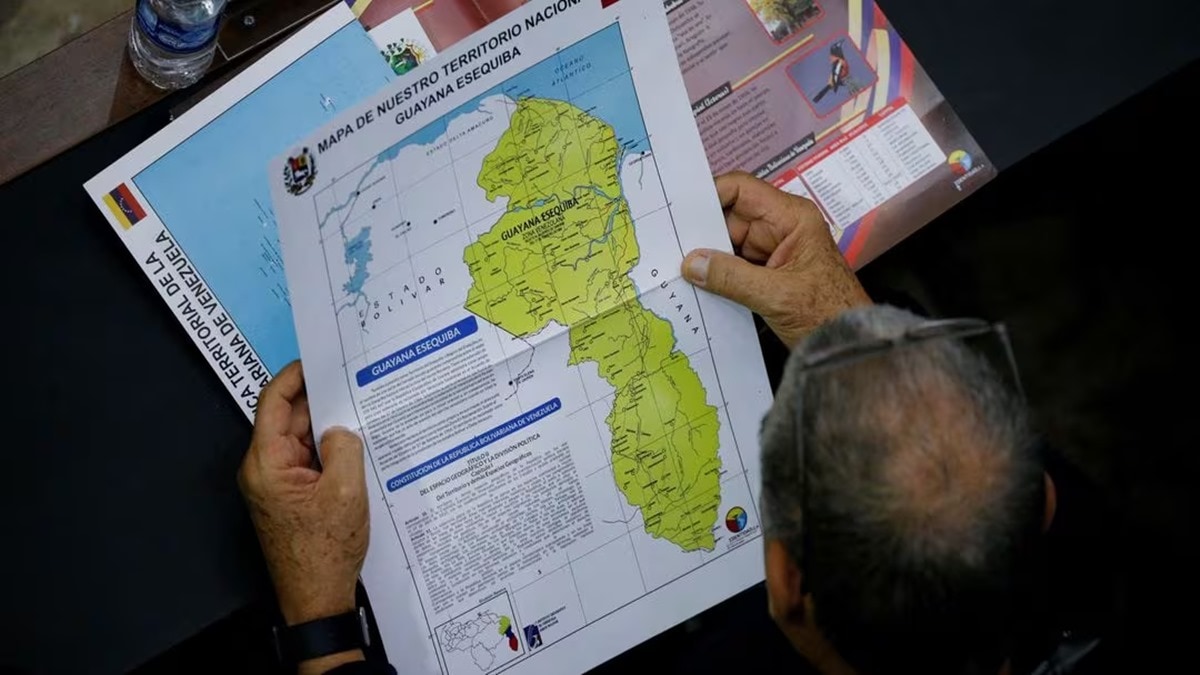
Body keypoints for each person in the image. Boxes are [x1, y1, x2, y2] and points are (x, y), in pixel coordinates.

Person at [239, 173, 1111, 674]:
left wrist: (320, 623)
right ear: (1037, 497)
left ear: (787, 581)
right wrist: (842, 320)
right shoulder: (1089, 572)